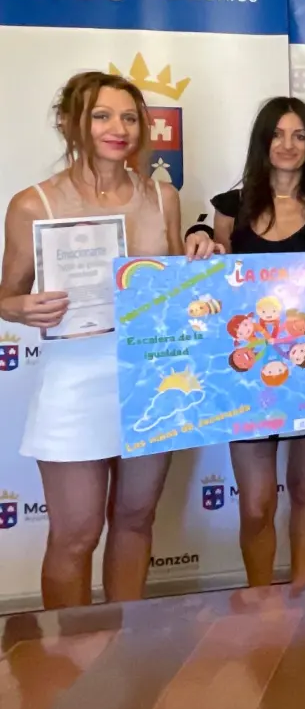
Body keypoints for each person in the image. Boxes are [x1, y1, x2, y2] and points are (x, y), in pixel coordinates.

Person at [0, 72, 220, 609]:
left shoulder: (162, 196)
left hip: (151, 377)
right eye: (101, 116)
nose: (118, 128)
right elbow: (7, 295)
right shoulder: (33, 204)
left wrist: (199, 252)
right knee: (76, 534)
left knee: (136, 519)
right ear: (69, 123)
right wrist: (20, 308)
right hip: (75, 383)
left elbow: (175, 288)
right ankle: (64, 652)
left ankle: (126, 645)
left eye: (129, 117)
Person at [211, 96, 305, 591]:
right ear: (262, 141)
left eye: (299, 135)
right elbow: (216, 291)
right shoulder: (229, 209)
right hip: (247, 374)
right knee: (256, 503)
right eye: (277, 134)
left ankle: (301, 593)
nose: (288, 145)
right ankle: (261, 599)